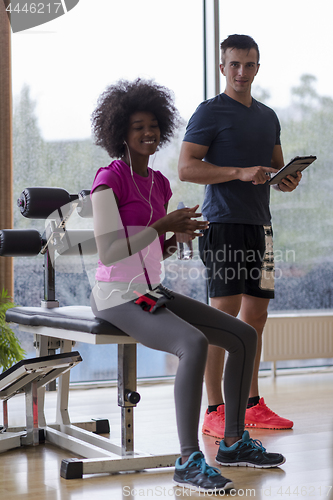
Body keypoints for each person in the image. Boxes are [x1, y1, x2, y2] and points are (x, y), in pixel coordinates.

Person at [89, 78, 286, 494]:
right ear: (121, 132)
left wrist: (173, 238)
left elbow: (150, 250)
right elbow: (108, 252)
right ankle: (187, 459)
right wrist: (162, 226)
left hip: (150, 291)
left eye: (154, 125)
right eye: (138, 126)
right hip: (117, 295)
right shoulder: (109, 178)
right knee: (192, 342)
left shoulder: (159, 184)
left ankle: (233, 443)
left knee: (244, 335)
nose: (148, 133)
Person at [178, 34, 301, 440]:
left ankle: (250, 404)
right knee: (223, 315)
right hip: (223, 224)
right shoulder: (210, 112)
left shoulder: (267, 116)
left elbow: (276, 168)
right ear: (222, 68)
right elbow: (186, 168)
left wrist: (287, 179)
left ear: (258, 67)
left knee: (257, 317)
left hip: (259, 225)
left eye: (249, 65)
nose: (242, 73)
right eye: (234, 65)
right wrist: (238, 171)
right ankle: (215, 409)